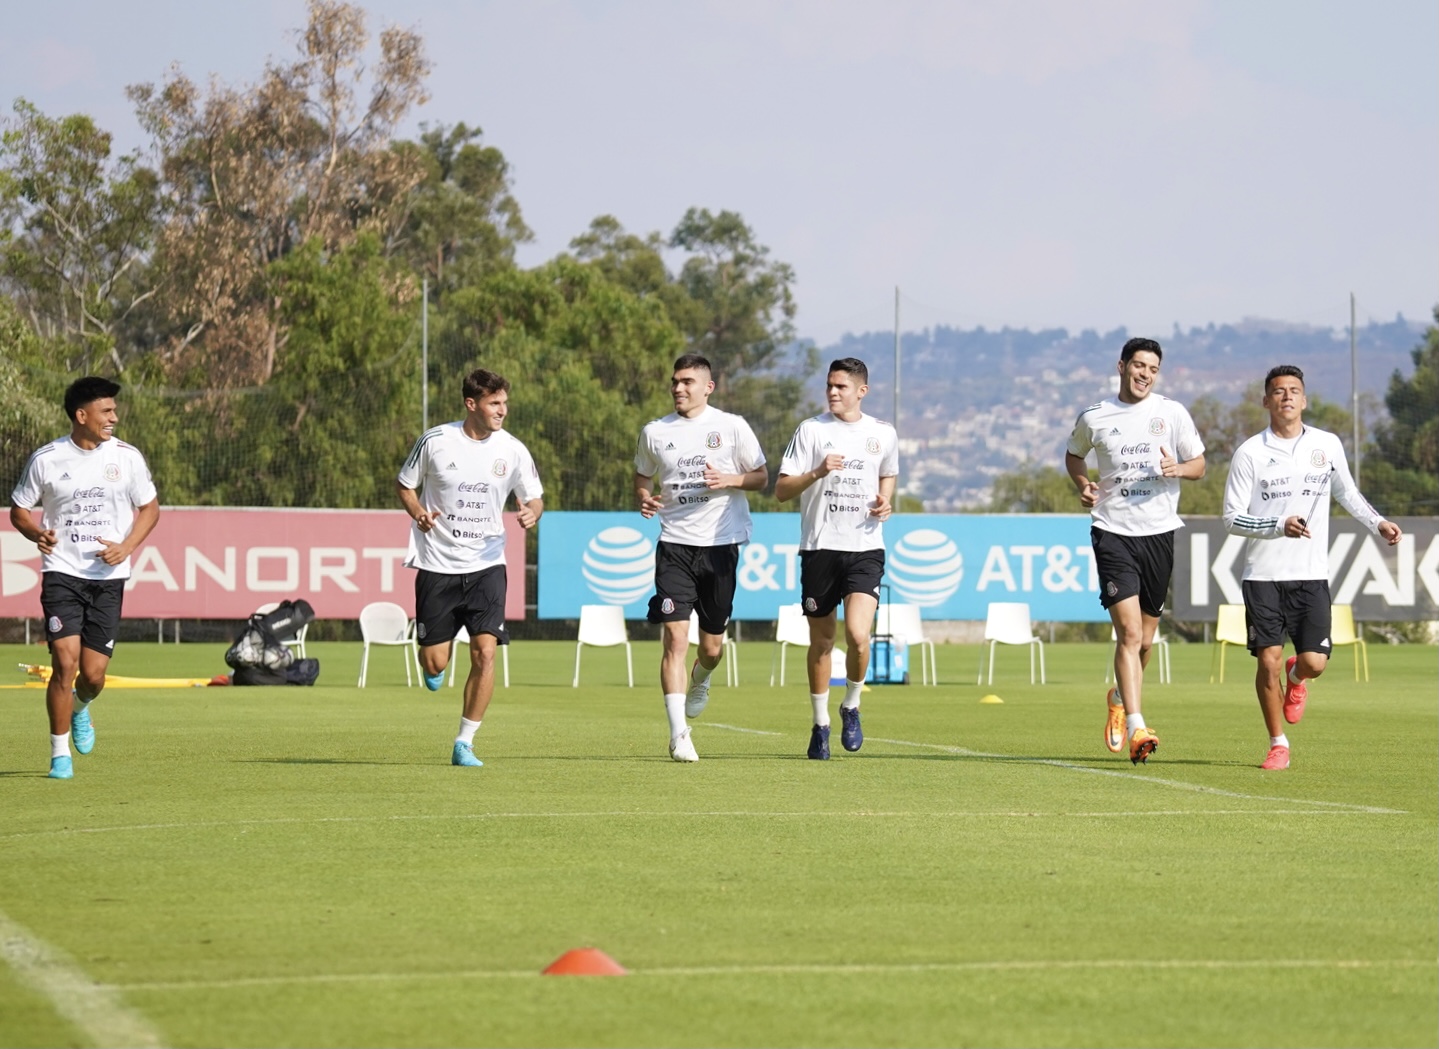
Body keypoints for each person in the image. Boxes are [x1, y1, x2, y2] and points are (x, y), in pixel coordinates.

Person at [1221, 365, 1401, 770]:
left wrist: (1378, 522)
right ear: (1266, 401)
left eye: (1294, 390)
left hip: (1310, 576)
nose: (1286, 396)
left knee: (1315, 663)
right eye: (1278, 391)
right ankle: (1278, 743)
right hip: (1262, 576)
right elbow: (1231, 518)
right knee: (1267, 660)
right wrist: (1277, 526)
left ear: (1304, 400)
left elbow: (1348, 493)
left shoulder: (1327, 445)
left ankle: (1297, 678)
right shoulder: (1250, 452)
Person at [9, 376, 160, 780]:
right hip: (62, 572)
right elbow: (19, 510)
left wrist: (126, 547)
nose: (114, 417)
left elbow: (150, 509)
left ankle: (81, 706)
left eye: (114, 410)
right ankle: (59, 755)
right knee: (64, 662)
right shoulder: (47, 459)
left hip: (108, 578)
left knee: (92, 676)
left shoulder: (127, 457)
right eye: (106, 411)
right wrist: (36, 533)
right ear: (81, 415)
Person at [1065, 337, 1205, 764]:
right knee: (1128, 634)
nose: (1145, 374)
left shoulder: (1172, 413)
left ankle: (1119, 698)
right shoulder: (1095, 416)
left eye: (1153, 369)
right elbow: (1074, 456)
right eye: (1139, 365)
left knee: (1145, 640)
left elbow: (1199, 465)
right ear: (1122, 366)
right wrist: (1084, 484)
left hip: (1159, 534)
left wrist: (1178, 468)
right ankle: (1137, 726)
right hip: (1112, 533)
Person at [397, 368, 544, 768]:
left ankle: (465, 742)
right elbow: (405, 485)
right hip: (437, 564)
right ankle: (432, 662)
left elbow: (534, 497)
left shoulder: (513, 449)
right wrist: (419, 513)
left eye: (505, 403)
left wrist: (532, 513)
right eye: (494, 403)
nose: (503, 410)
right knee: (435, 663)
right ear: (471, 404)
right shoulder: (435, 441)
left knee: (485, 654)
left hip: (487, 564)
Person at [634, 353, 767, 762]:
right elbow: (642, 474)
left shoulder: (732, 426)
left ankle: (702, 677)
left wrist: (730, 479)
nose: (678, 388)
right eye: (675, 381)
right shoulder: (655, 432)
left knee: (710, 648)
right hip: (674, 546)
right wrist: (644, 496)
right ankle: (679, 735)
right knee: (675, 638)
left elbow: (761, 477)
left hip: (721, 547)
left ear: (708, 387)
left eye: (687, 381)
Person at [776, 357, 898, 760]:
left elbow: (888, 473)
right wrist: (816, 472)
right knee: (823, 641)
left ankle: (851, 705)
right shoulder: (811, 430)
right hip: (819, 549)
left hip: (865, 548)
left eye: (841, 386)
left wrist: (886, 500)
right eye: (829, 385)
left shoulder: (882, 432)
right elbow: (781, 490)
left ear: (861, 391)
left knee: (859, 637)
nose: (832, 392)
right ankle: (820, 725)